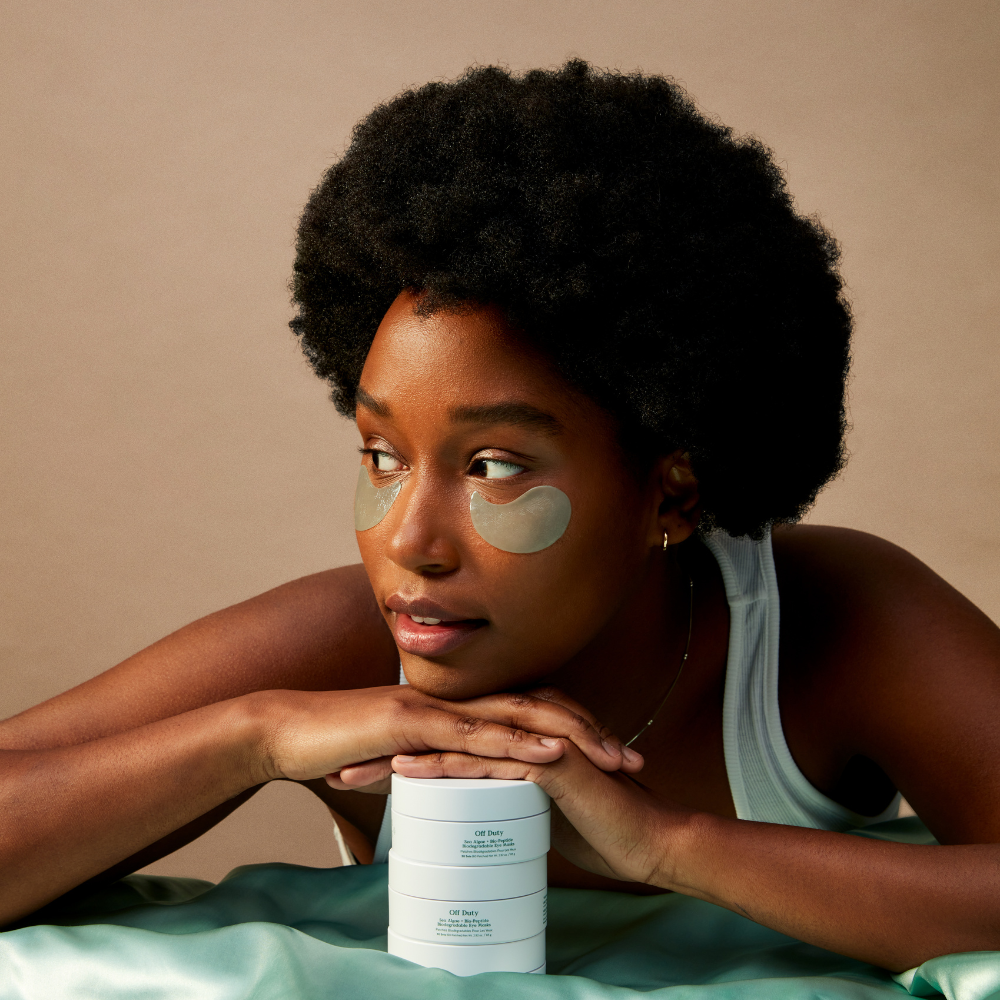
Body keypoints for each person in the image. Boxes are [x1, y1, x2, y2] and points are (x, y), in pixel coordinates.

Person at [1, 60, 998, 973]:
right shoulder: (344, 644)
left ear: (674, 488)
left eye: (492, 467)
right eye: (381, 455)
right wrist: (253, 735)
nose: (408, 541)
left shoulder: (838, 620)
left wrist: (663, 843)